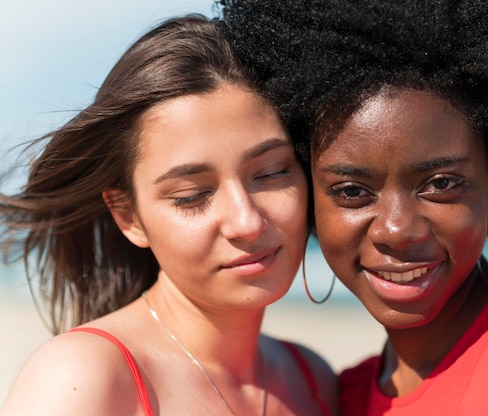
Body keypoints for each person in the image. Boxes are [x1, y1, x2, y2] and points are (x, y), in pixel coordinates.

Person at [218, 0, 488, 414]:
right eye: (351, 192)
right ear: (308, 200)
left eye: (440, 184)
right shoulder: (341, 398)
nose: (396, 231)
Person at [0, 14, 337, 416]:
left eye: (271, 173)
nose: (247, 222)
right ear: (129, 217)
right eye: (191, 195)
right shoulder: (85, 378)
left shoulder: (313, 380)